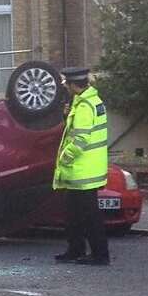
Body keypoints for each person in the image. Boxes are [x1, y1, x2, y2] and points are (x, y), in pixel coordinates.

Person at [53, 67, 110, 265]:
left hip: (82, 170)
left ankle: (99, 255)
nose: (65, 87)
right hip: (85, 169)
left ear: (73, 85)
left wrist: (65, 159)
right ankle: (75, 250)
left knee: (89, 217)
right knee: (73, 214)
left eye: (66, 84)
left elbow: (80, 140)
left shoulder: (85, 106)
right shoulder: (87, 101)